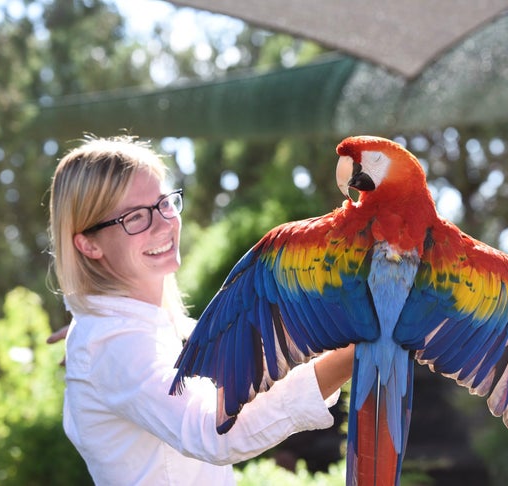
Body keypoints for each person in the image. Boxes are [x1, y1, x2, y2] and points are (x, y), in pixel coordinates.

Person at [46, 134, 355, 485]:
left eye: (164, 202)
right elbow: (216, 431)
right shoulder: (113, 342)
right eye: (134, 218)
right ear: (88, 244)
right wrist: (353, 354)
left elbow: (248, 351)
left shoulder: (130, 331)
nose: (164, 224)